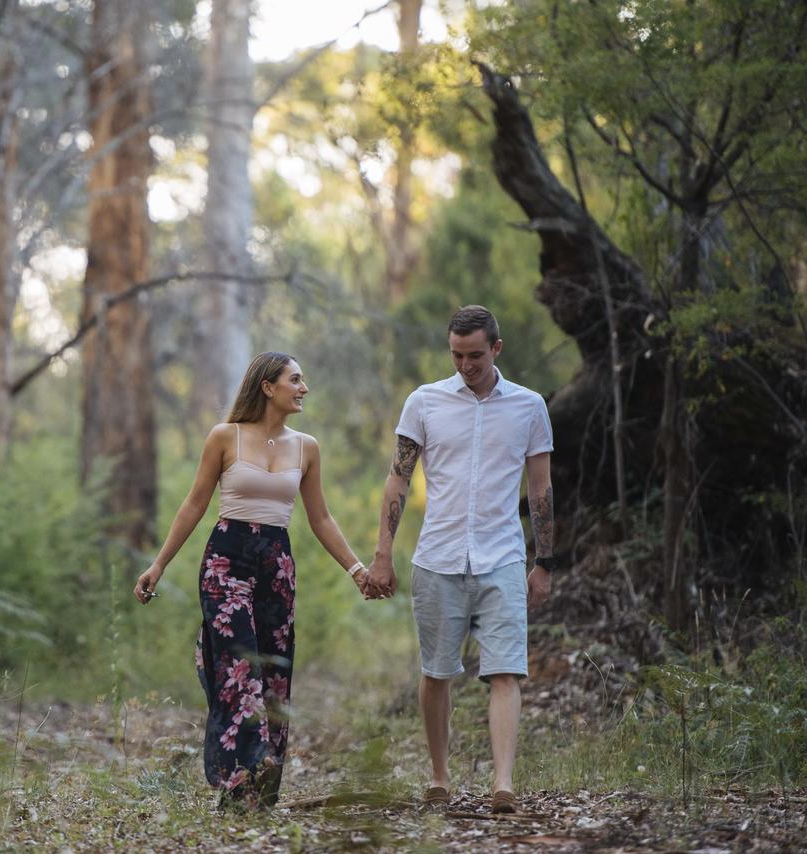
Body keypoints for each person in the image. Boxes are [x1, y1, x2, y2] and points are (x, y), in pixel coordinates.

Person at [133, 351, 381, 810]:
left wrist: (357, 570)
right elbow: (193, 504)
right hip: (226, 561)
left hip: (276, 565)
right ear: (268, 386)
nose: (304, 388)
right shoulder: (225, 437)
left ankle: (261, 787)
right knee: (239, 668)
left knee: (273, 671)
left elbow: (321, 518)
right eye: (295, 379)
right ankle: (237, 779)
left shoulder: (307, 446)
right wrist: (159, 564)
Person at [363, 305, 555, 815]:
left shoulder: (530, 406)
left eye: (474, 355)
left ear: (496, 348)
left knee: (507, 671)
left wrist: (545, 563)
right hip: (438, 558)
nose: (465, 364)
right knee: (437, 672)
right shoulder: (424, 402)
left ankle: (504, 783)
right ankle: (440, 776)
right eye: (456, 354)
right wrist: (383, 554)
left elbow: (540, 489)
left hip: (504, 558)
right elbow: (398, 478)